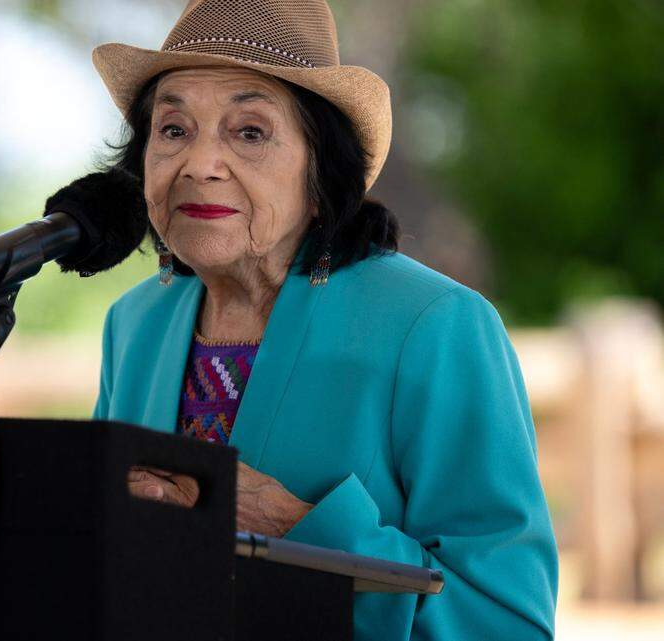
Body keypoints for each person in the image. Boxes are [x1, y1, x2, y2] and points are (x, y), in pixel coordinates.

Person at [89, 1, 558, 639]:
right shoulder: (133, 325)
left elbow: (504, 620)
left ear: (320, 168)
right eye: (173, 129)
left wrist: (292, 528)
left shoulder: (438, 326)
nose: (199, 164)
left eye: (249, 132)